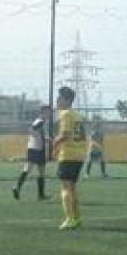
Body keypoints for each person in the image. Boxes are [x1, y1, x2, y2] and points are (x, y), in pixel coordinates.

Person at [53, 87, 87, 230]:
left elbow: (65, 134)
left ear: (67, 100)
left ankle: (69, 218)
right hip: (79, 155)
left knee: (66, 187)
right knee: (72, 187)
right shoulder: (77, 115)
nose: (57, 101)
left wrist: (54, 144)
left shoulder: (65, 114)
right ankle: (76, 217)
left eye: (59, 98)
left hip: (68, 155)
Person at [12, 105, 50, 201]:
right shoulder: (40, 121)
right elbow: (31, 130)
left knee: (40, 171)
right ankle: (18, 187)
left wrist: (46, 138)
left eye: (49, 112)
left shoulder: (43, 122)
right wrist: (40, 138)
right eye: (47, 111)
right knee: (31, 169)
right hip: (35, 148)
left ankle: (40, 195)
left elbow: (40, 133)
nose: (49, 113)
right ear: (42, 112)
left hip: (37, 148)